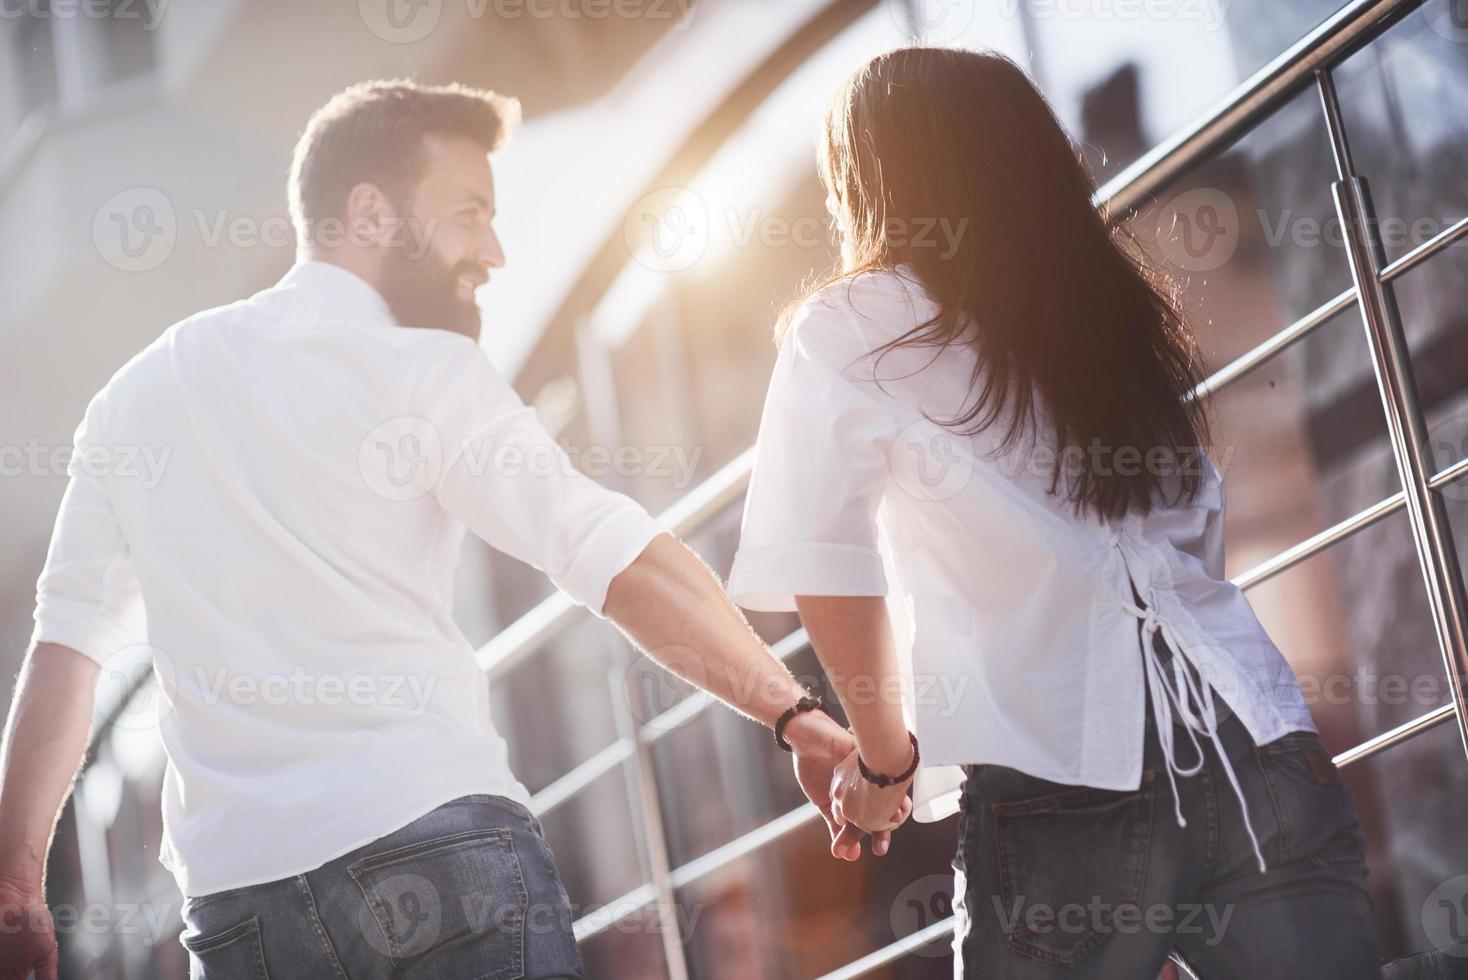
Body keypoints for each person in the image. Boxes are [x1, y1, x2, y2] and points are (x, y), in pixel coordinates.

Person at [0, 79, 874, 980]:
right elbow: (606, 553)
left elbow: (66, 653)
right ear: (370, 213)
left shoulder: (136, 399)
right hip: (437, 855)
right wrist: (796, 713)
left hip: (243, 917)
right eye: (467, 213)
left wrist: (17, 883)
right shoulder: (423, 368)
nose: (492, 249)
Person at [726, 48, 1381, 979]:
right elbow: (1195, 531)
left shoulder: (850, 323)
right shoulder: (1111, 312)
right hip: (1259, 739)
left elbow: (825, 559)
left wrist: (881, 769)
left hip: (1062, 780)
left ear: (879, 182)